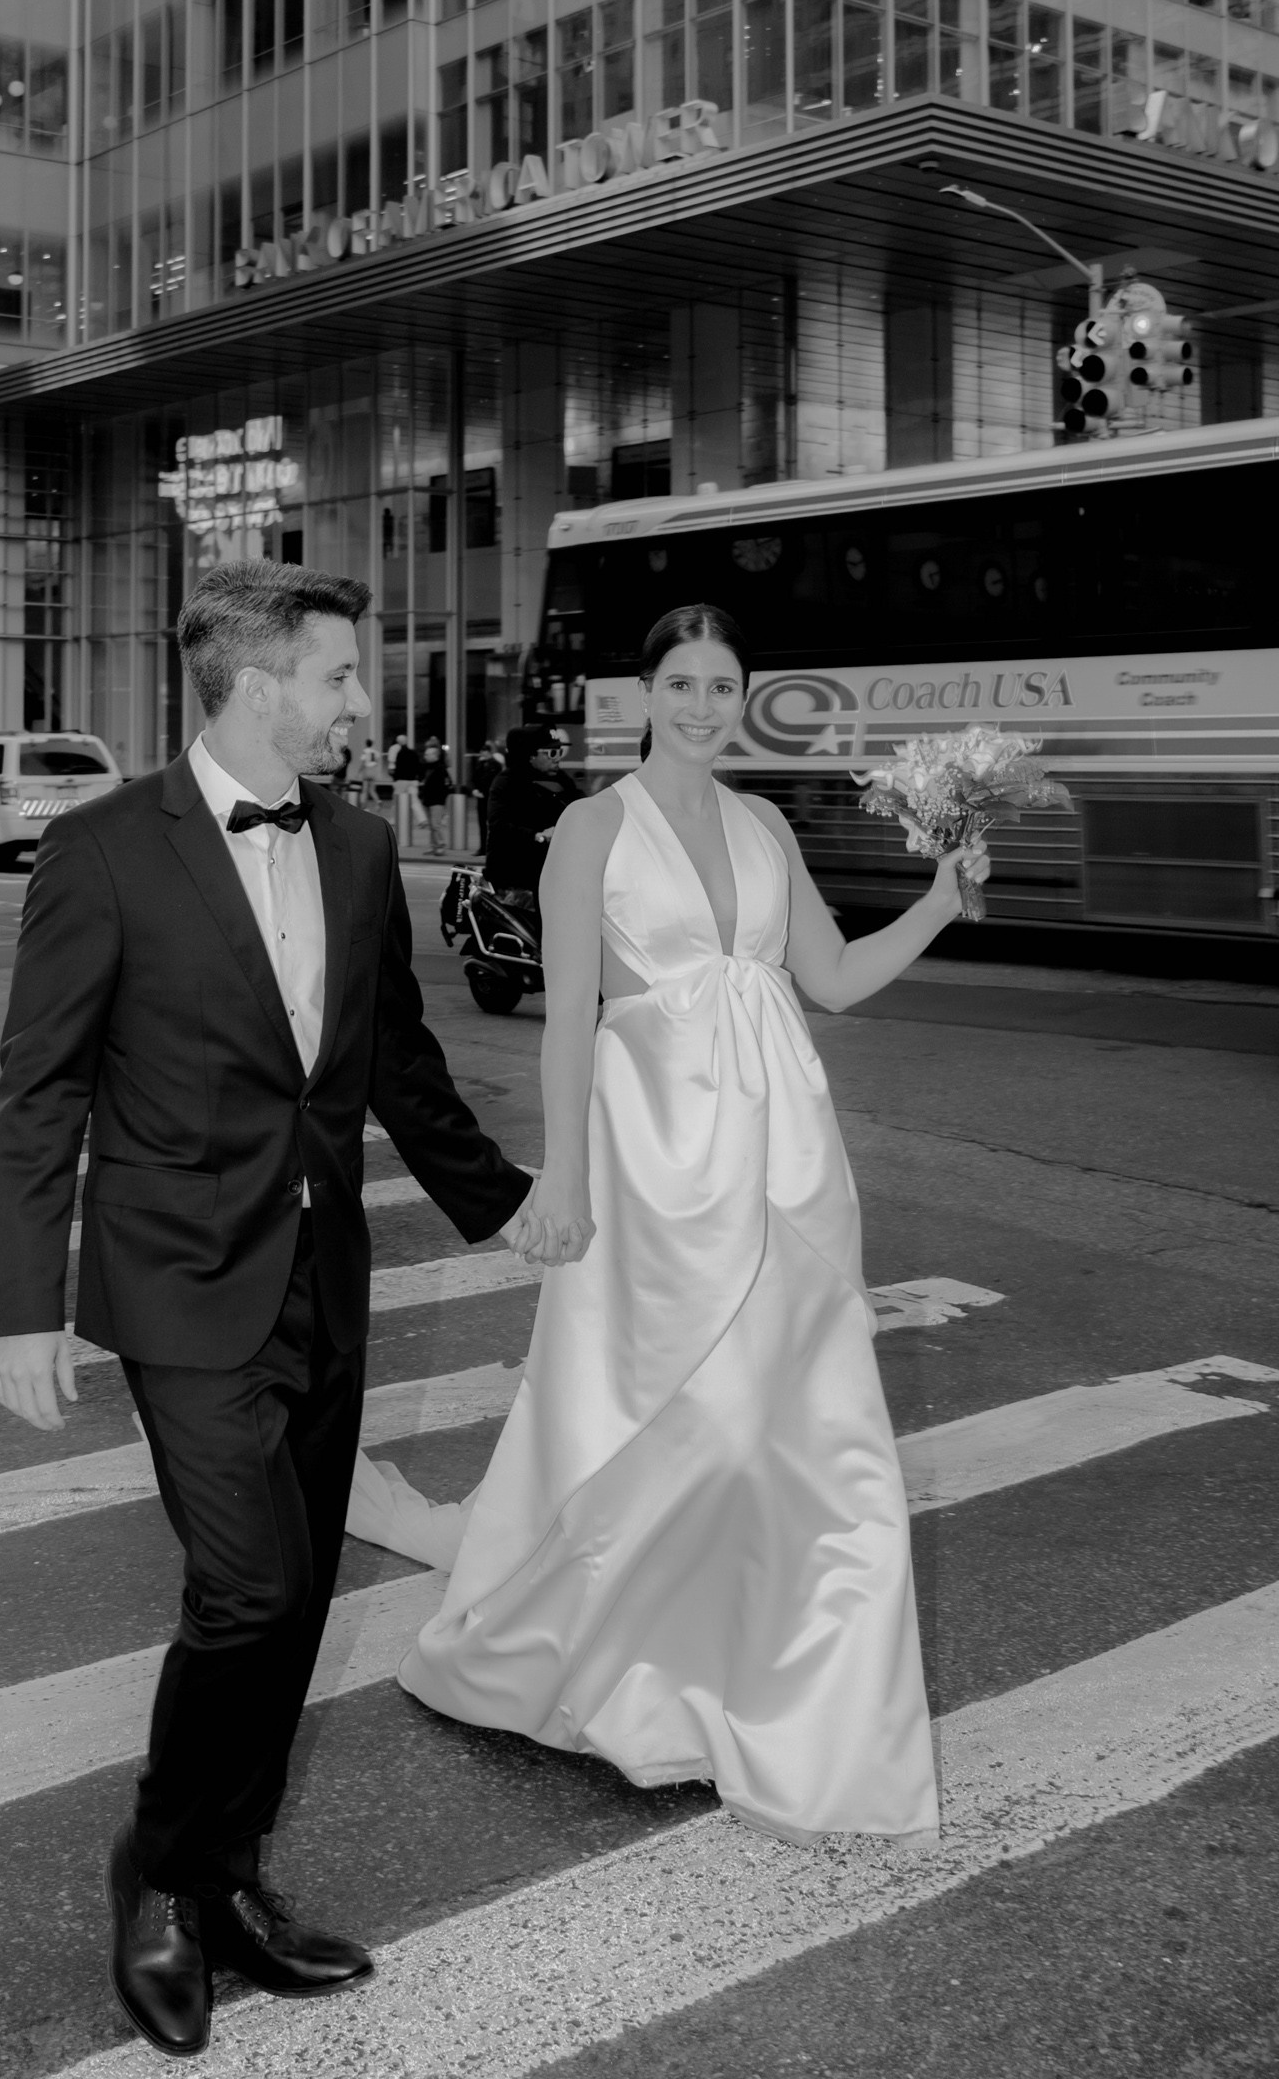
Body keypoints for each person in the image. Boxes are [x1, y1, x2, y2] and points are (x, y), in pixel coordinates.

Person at [0, 560, 532, 2057]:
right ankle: (155, 1874)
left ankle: (228, 1881)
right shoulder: (100, 853)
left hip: (323, 1281)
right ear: (255, 680)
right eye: (341, 675)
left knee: (290, 1615)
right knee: (254, 1591)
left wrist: (510, 1203)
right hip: (175, 1285)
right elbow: (40, 1093)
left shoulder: (353, 851)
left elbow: (397, 1062)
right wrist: (21, 1306)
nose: (364, 702)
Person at [399, 600, 987, 1846]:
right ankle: (614, 1666)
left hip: (786, 1171)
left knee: (803, 1434)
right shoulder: (589, 829)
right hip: (650, 1171)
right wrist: (557, 1181)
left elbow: (825, 982)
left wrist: (937, 903)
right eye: (682, 682)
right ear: (643, 692)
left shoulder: (766, 824)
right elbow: (564, 1023)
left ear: (744, 698)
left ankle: (774, 1686)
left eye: (723, 685)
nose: (704, 704)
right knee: (673, 1421)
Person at [479, 724, 570, 923]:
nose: (557, 758)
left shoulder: (561, 781)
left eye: (560, 751)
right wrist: (538, 836)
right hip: (516, 876)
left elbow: (582, 805)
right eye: (551, 752)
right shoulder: (506, 783)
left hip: (551, 872)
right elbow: (499, 825)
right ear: (529, 755)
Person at [415, 735, 455, 854]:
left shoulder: (440, 769)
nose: (425, 756)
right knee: (432, 825)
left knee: (435, 824)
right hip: (428, 799)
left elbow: (447, 785)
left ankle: (440, 845)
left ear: (435, 755)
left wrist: (442, 798)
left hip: (437, 800)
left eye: (428, 755)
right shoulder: (426, 768)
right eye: (425, 754)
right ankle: (434, 846)